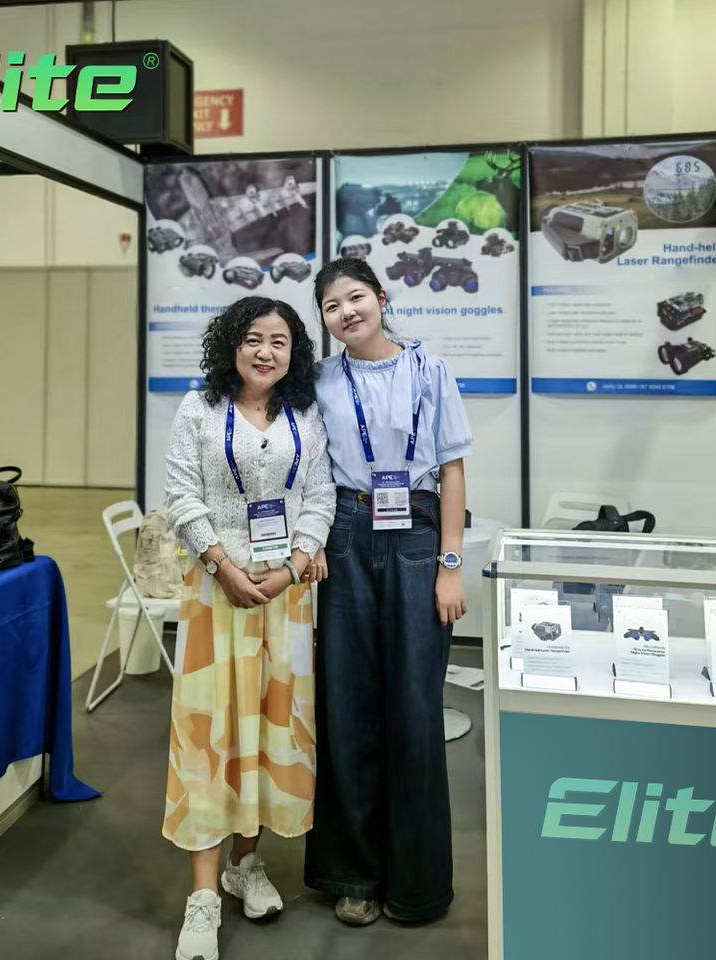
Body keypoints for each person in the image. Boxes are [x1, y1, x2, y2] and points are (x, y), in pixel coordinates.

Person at [162, 296, 335, 960]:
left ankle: (245, 863)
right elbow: (181, 496)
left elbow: (319, 496)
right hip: (217, 593)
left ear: (294, 353)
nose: (266, 351)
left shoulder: (304, 414)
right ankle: (203, 896)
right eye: (254, 338)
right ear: (232, 344)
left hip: (285, 598)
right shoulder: (198, 409)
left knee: (267, 732)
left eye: (280, 341)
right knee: (211, 737)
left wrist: (292, 566)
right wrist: (223, 565)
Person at [302, 257, 472, 926]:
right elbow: (309, 469)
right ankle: (354, 876)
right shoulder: (320, 381)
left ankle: (416, 884)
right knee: (347, 704)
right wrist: (311, 538)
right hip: (345, 530)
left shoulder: (430, 370)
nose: (346, 312)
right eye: (331, 306)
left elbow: (452, 471)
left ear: (379, 296)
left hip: (417, 534)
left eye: (355, 297)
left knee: (414, 709)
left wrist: (450, 564)